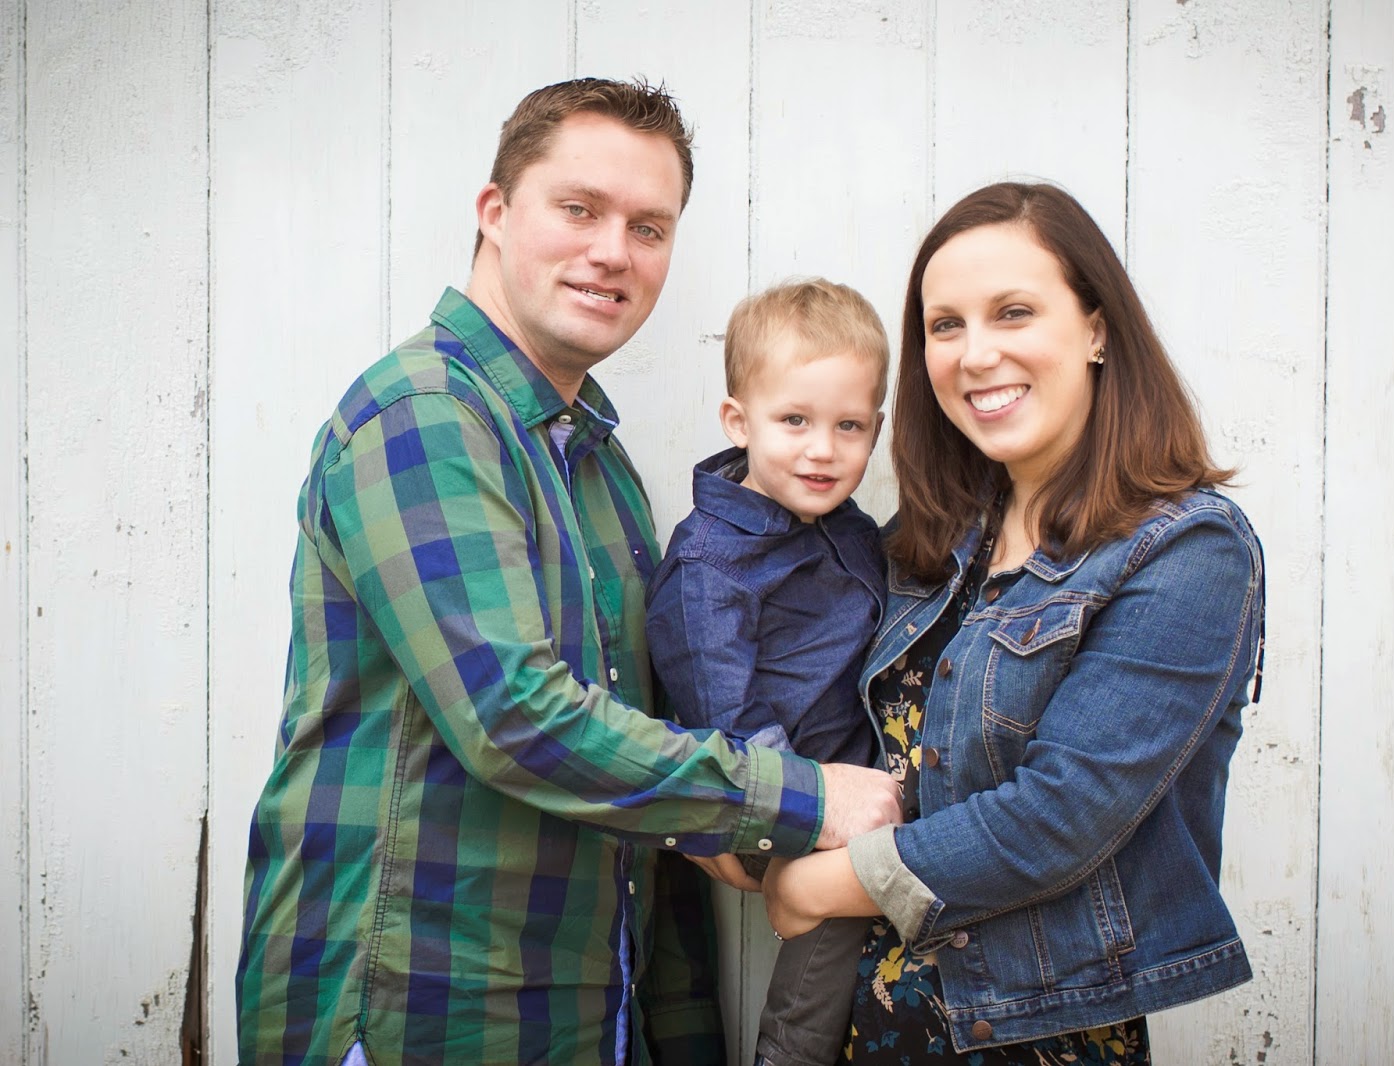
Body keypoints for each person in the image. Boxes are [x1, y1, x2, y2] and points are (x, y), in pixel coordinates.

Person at [234, 78, 901, 1066]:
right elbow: (515, 716)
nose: (613, 251)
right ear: (496, 212)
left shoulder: (599, 465)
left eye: (648, 227)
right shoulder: (425, 416)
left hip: (582, 1006)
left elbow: (638, 737)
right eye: (579, 209)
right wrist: (802, 797)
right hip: (420, 1003)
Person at [761, 182, 1267, 1064]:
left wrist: (813, 885)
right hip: (857, 1018)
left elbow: (1057, 819)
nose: (976, 354)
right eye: (945, 326)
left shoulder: (1188, 551)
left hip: (1026, 1032)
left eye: (1014, 312)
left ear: (1097, 328)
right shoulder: (932, 540)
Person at [645, 279, 889, 1066]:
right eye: (794, 421)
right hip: (768, 790)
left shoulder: (847, 527)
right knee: (842, 903)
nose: (823, 449)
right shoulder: (710, 566)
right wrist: (809, 812)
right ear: (738, 421)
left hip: (856, 776)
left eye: (849, 426)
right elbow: (724, 713)